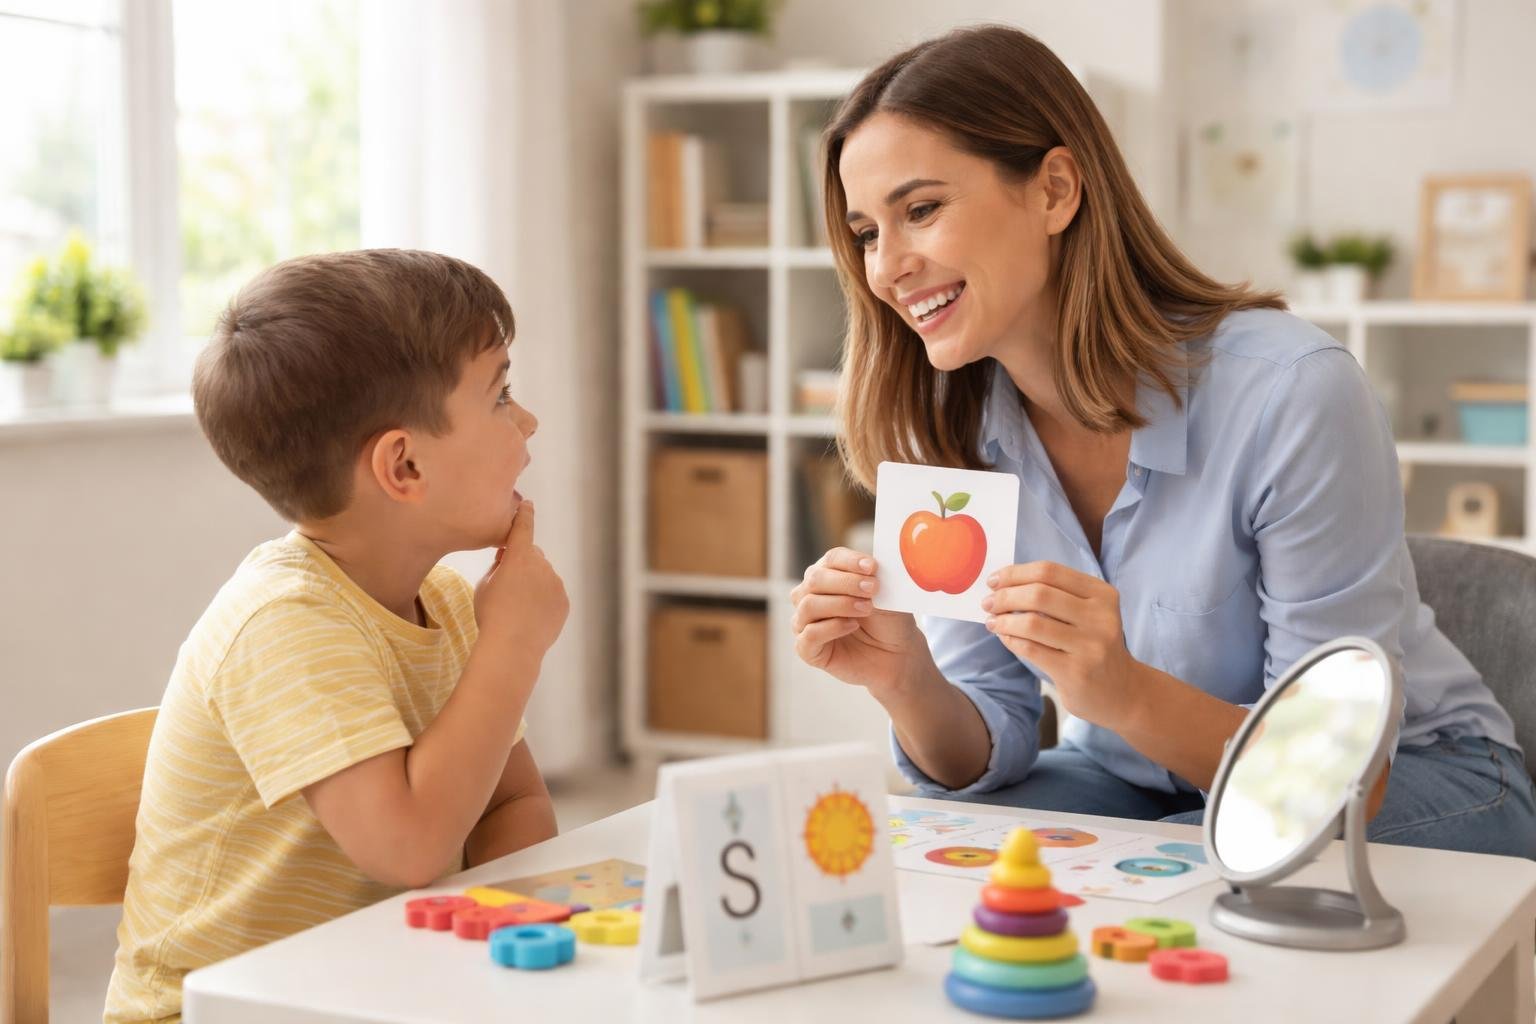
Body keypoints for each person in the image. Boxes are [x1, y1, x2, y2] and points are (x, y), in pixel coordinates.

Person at [788, 25, 1536, 858]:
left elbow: (1337, 782)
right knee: (950, 844)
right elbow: (987, 743)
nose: (886, 266)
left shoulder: (1290, 392)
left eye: (920, 210)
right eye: (864, 234)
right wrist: (905, 678)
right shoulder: (946, 427)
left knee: (1170, 865)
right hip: (1143, 783)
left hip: (1420, 781)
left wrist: (1121, 691)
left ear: (1056, 190)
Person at [105, 249, 568, 1022]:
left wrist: (505, 935)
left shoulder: (448, 603)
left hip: (376, 989)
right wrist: (515, 643)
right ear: (404, 465)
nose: (528, 421)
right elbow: (409, 848)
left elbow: (510, 799)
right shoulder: (283, 625)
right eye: (501, 395)